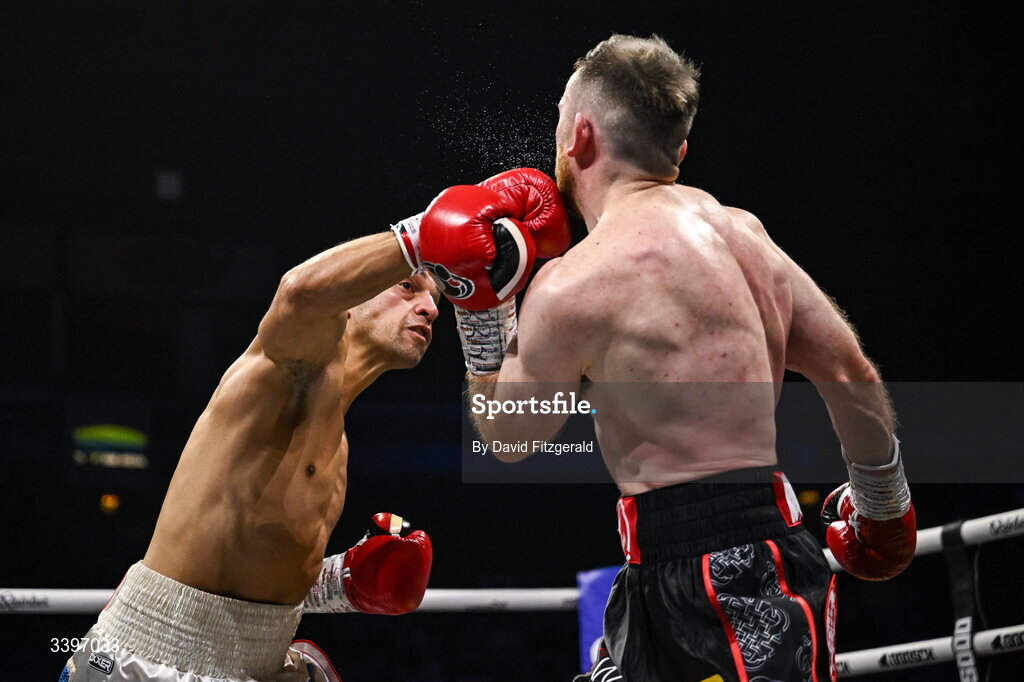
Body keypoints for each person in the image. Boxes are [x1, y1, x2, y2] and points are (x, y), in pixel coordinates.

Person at [422, 35, 917, 682]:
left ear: (579, 137)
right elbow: (851, 375)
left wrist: (477, 301)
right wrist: (884, 509)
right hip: (737, 557)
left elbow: (507, 436)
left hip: (704, 576)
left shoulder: (575, 284)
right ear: (677, 152)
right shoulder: (747, 236)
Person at [60, 214, 445, 681]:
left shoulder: (336, 445)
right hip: (154, 660)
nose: (430, 307)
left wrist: (340, 582)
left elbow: (253, 568)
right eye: (409, 286)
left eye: (434, 298)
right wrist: (430, 229)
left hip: (252, 663)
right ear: (350, 295)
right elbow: (301, 291)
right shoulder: (287, 373)